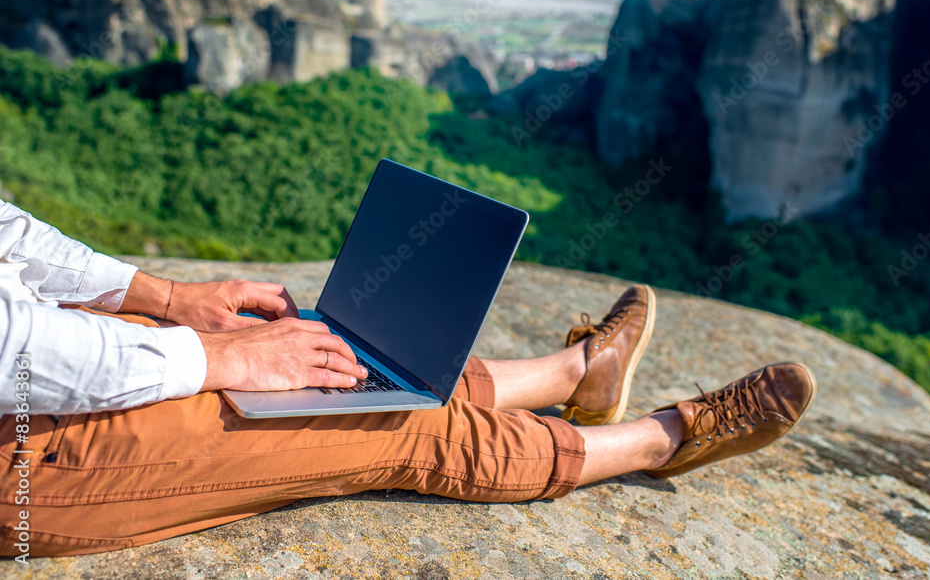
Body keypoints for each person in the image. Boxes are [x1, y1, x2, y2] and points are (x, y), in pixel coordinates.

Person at [0, 200, 815, 557]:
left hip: (42, 365)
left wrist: (169, 299)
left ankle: (580, 371)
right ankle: (661, 439)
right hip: (21, 457)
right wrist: (224, 358)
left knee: (344, 363)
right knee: (384, 423)